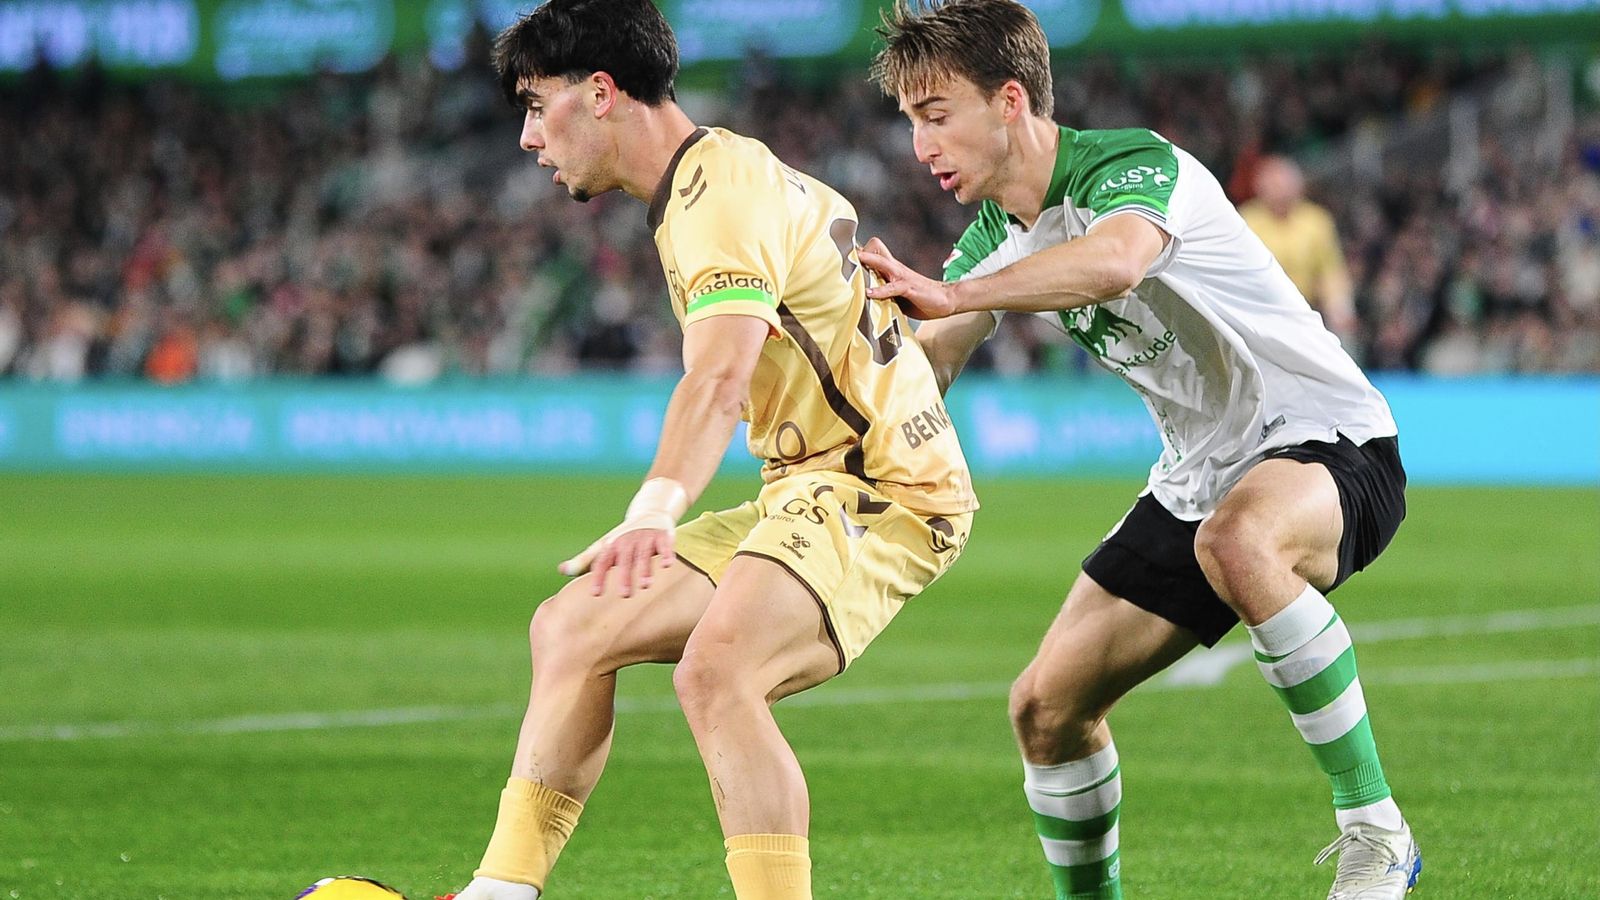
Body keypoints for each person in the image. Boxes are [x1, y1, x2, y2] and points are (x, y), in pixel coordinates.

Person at [859, 2, 1418, 898]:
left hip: (1329, 439)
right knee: (1045, 711)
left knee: (1239, 540)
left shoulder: (1133, 166)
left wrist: (957, 295)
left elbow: (1116, 262)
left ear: (1010, 101)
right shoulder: (992, 240)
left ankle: (1376, 830)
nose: (921, 146)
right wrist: (847, 359)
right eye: (911, 123)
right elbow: (930, 369)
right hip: (1199, 481)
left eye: (935, 116)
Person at [445, 2, 979, 898]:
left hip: (881, 490)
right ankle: (500, 892)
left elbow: (718, 380)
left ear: (603, 93)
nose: (531, 136)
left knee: (718, 672)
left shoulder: (716, 197)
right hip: (809, 485)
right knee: (571, 626)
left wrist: (653, 509)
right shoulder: (718, 178)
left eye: (538, 106)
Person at [1239, 155, 1359, 343]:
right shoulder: (1246, 220)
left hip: (1306, 309)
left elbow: (1330, 271)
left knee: (1346, 339)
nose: (1279, 192)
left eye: (1284, 185)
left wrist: (1340, 308)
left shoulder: (1317, 220)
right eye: (1273, 185)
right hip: (1258, 308)